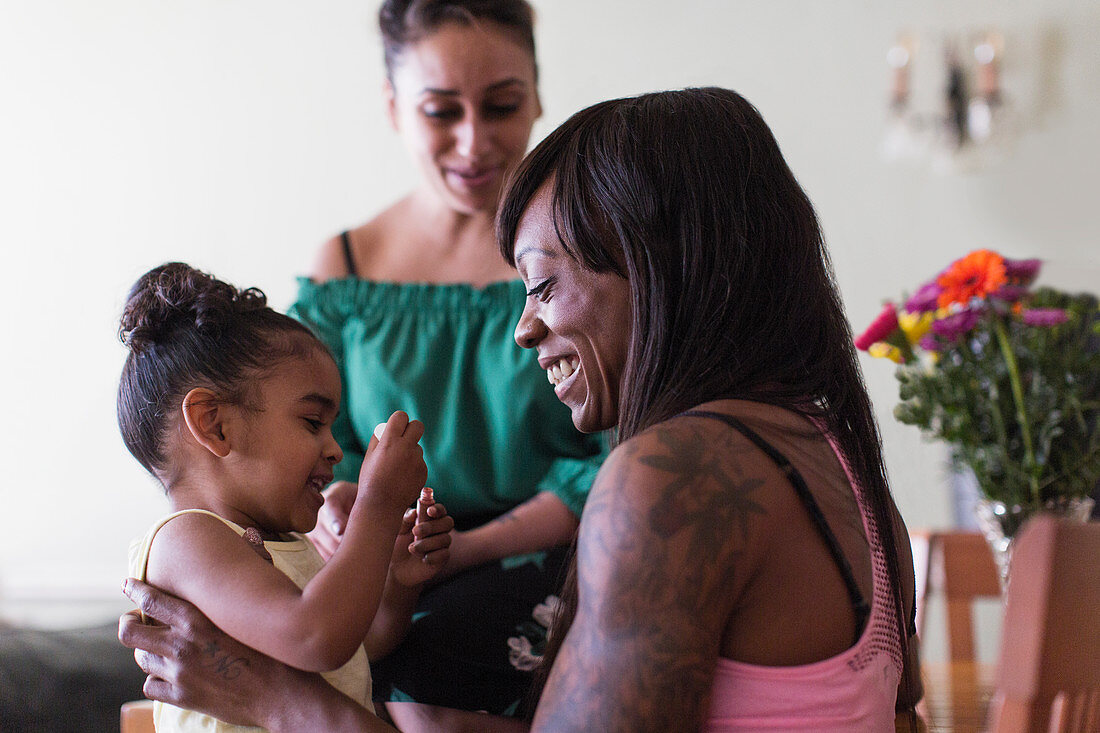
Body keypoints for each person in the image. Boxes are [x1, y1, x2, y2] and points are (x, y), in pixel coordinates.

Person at [119, 88, 924, 732]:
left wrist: (269, 696)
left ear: (653, 271)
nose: (522, 325)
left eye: (541, 283)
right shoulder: (844, 463)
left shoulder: (672, 477)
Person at [289, 0, 607, 717]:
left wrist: (457, 550)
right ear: (393, 105)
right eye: (441, 112)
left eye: (502, 105)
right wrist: (334, 507)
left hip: (542, 554)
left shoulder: (591, 260)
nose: (474, 142)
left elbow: (616, 452)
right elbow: (303, 434)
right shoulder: (345, 268)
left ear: (537, 92)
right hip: (371, 558)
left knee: (427, 667)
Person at [117, 262, 453, 732]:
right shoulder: (186, 541)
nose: (336, 450)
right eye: (313, 422)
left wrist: (397, 583)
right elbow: (314, 637)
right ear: (215, 424)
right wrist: (376, 510)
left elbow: (350, 653)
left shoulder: (284, 544)